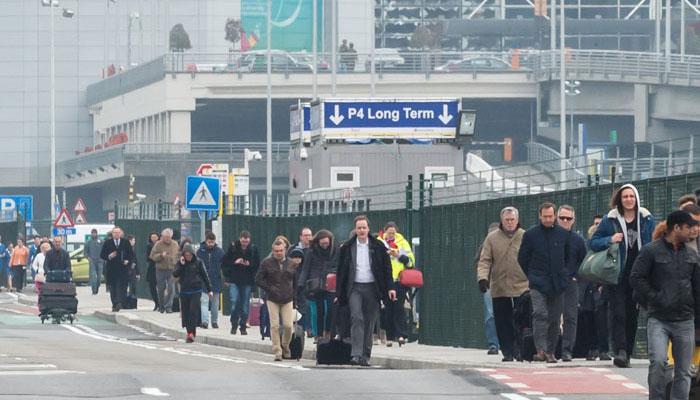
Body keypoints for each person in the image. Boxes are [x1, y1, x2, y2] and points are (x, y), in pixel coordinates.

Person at [630, 210, 700, 400]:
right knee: (658, 362)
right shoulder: (651, 251)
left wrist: (698, 320)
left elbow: (697, 288)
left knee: (684, 371)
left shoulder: (692, 255)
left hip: (685, 320)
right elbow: (636, 278)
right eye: (688, 227)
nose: (693, 231)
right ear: (676, 228)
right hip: (659, 319)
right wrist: (655, 297)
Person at [590, 183, 655, 368]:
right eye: (625, 196)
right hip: (617, 273)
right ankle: (620, 351)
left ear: (636, 198)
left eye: (631, 196)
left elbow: (654, 240)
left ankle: (628, 349)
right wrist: (610, 239)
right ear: (619, 199)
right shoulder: (610, 219)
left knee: (632, 314)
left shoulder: (646, 218)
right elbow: (593, 242)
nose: (628, 200)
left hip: (640, 274)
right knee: (618, 312)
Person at [518, 202, 574, 363]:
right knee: (540, 313)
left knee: (555, 319)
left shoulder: (563, 234)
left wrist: (566, 274)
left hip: (558, 283)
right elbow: (522, 258)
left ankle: (550, 351)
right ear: (540, 216)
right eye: (545, 216)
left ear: (554, 216)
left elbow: (570, 256)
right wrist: (531, 275)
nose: (548, 219)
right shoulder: (531, 235)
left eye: (551, 216)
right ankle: (540, 349)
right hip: (538, 282)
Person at [336, 215, 395, 367]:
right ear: (355, 230)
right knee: (356, 317)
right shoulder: (347, 247)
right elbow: (341, 271)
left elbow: (387, 269)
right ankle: (355, 354)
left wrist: (390, 288)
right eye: (359, 227)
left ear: (368, 229)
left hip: (373, 288)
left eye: (364, 227)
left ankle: (365, 355)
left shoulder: (378, 246)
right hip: (354, 287)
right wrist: (339, 293)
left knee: (370, 322)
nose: (361, 230)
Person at [477, 207, 528, 362]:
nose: (510, 223)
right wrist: (482, 278)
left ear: (517, 220)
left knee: (522, 319)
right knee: (502, 321)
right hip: (500, 286)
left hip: (522, 286)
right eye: (507, 220)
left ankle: (521, 349)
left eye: (512, 220)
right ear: (502, 221)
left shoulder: (525, 236)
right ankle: (508, 351)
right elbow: (484, 260)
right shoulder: (492, 238)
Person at [255, 239, 300, 361]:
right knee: (274, 325)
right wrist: (269, 288)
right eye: (276, 251)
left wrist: (295, 300)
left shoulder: (292, 264)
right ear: (273, 251)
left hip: (287, 298)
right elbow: (258, 279)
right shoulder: (266, 263)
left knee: (288, 325)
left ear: (285, 250)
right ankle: (277, 351)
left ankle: (285, 345)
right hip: (272, 298)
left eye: (281, 251)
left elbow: (295, 283)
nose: (279, 253)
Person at [556, 205, 587, 362]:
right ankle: (549, 350)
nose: (565, 221)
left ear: (573, 220)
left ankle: (567, 351)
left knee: (570, 317)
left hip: (570, 283)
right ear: (557, 218)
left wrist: (576, 277)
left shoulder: (578, 241)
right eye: (562, 218)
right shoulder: (549, 237)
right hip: (552, 282)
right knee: (550, 317)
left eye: (568, 218)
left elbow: (584, 262)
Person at [377, 222, 415, 347]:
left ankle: (400, 335)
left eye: (393, 233)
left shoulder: (402, 243)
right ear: (385, 232)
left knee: (399, 308)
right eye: (389, 233)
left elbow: (410, 262)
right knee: (386, 308)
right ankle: (388, 335)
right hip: (384, 281)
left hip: (398, 280)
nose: (391, 235)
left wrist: (398, 255)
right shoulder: (379, 243)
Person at [298, 229, 338, 343]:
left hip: (331, 282)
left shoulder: (335, 250)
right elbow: (306, 269)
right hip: (317, 284)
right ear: (318, 242)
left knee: (331, 309)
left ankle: (328, 332)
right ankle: (319, 335)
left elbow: (339, 265)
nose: (325, 246)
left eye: (327, 243)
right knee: (320, 310)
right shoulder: (312, 252)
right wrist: (301, 283)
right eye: (322, 244)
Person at [581, 215, 611, 361]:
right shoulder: (586, 247)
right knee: (588, 317)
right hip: (587, 287)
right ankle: (592, 348)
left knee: (602, 319)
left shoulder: (608, 247)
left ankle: (603, 349)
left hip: (600, 287)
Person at [221, 230, 260, 335]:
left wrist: (249, 264)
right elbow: (224, 262)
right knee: (234, 302)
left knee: (245, 306)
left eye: (246, 242)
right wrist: (235, 262)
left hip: (247, 281)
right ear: (240, 239)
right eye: (243, 241)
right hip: (234, 280)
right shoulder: (233, 248)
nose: (244, 244)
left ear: (249, 240)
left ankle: (243, 326)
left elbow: (257, 264)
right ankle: (234, 324)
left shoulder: (253, 249)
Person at [173, 243, 212, 343]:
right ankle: (189, 332)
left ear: (193, 254)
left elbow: (205, 276)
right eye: (186, 255)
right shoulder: (181, 263)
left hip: (196, 290)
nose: (188, 257)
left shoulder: (198, 262)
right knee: (185, 313)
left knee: (193, 311)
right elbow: (175, 274)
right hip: (184, 290)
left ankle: (192, 333)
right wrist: (181, 265)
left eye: (190, 255)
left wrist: (209, 290)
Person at [474, 222, 501, 356]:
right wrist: (483, 280)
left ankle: (509, 343)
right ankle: (493, 344)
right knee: (490, 315)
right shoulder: (483, 248)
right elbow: (480, 263)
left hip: (507, 284)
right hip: (490, 284)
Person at [100, 227, 135, 312]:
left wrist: (128, 261)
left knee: (122, 287)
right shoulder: (108, 243)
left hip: (122, 269)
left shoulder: (125, 242)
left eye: (118, 233)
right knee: (113, 288)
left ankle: (119, 302)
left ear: (121, 234)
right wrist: (110, 256)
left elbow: (131, 255)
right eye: (115, 233)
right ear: (112, 234)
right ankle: (114, 303)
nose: (116, 234)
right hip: (111, 269)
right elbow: (102, 255)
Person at [149, 228, 181, 313]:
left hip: (171, 269)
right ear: (162, 237)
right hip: (160, 269)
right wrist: (160, 256)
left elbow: (178, 255)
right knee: (161, 288)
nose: (167, 239)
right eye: (165, 237)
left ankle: (168, 306)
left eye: (168, 237)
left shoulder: (175, 244)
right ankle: (161, 305)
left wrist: (177, 262)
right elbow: (152, 256)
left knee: (171, 288)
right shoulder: (158, 244)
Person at [197, 232, 224, 329]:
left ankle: (214, 321)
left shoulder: (220, 252)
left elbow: (223, 266)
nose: (211, 244)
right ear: (206, 241)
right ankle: (205, 321)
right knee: (204, 301)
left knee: (215, 303)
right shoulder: (200, 251)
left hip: (216, 280)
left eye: (212, 242)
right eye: (209, 242)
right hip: (203, 281)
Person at [85, 229, 104, 295]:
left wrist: (103, 258)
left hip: (100, 261)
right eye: (92, 233)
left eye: (94, 233)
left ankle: (97, 287)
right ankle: (94, 290)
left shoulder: (101, 241)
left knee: (99, 277)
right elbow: (85, 252)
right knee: (93, 277)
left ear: (96, 233)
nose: (93, 234)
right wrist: (88, 258)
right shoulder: (88, 242)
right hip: (92, 261)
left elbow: (104, 250)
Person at [146, 232, 160, 311]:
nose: (154, 238)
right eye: (152, 237)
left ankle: (161, 303)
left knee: (161, 287)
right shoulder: (149, 246)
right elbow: (148, 257)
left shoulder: (161, 245)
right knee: (152, 287)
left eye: (155, 237)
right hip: (152, 268)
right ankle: (156, 303)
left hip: (160, 267)